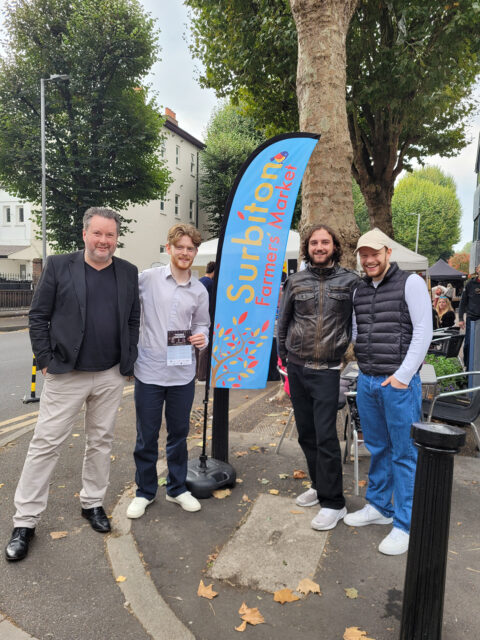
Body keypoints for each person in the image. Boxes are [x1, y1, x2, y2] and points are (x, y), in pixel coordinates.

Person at [5, 207, 140, 562]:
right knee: (45, 444)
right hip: (66, 374)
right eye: (97, 233)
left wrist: (129, 360)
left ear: (116, 238)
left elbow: (132, 319)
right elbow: (38, 316)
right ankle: (25, 521)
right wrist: (46, 360)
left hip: (110, 374)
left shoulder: (127, 272)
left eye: (110, 235)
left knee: (100, 441)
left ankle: (93, 503)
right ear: (84, 234)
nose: (103, 241)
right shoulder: (60, 265)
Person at [344, 229, 432, 556]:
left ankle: (404, 524)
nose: (368, 260)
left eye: (374, 254)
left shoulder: (409, 283)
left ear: (387, 253)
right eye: (363, 255)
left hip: (397, 383)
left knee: (404, 453)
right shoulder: (359, 289)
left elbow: (424, 331)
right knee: (378, 447)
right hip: (367, 380)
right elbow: (358, 330)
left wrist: (402, 376)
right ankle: (379, 507)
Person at [277, 224, 360, 531]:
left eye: (325, 242)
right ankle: (318, 484)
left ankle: (334, 503)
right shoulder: (295, 281)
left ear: (335, 247)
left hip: (327, 370)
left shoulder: (351, 282)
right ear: (307, 247)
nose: (320, 247)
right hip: (297, 368)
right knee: (307, 434)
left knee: (326, 437)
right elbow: (283, 323)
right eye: (314, 242)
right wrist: (284, 359)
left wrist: (351, 352)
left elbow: (360, 322)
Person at [126, 223, 209, 519]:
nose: (185, 253)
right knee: (146, 436)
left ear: (195, 253)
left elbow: (202, 324)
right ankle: (145, 492)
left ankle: (176, 489)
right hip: (148, 371)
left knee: (178, 434)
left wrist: (203, 337)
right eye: (180, 247)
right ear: (169, 248)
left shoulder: (199, 290)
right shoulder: (146, 280)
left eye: (190, 249)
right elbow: (123, 304)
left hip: (182, 373)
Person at [459, 265, 480, 370]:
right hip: (472, 319)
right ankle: (467, 366)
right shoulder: (470, 284)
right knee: (469, 344)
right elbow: (462, 302)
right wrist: (461, 319)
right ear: (477, 270)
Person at [197, 261, 215, 381]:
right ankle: (202, 375)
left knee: (196, 345)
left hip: (196, 318)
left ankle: (196, 373)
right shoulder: (210, 283)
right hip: (207, 318)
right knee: (205, 346)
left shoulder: (199, 281)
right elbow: (212, 302)